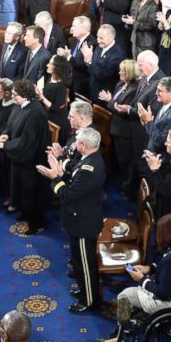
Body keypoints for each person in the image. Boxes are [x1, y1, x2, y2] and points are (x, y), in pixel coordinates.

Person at [100, 213, 171, 342]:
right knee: (132, 291)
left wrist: (142, 279)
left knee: (125, 295)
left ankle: (121, 340)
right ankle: (120, 335)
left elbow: (162, 292)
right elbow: (167, 266)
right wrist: (150, 268)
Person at [37, 126, 105, 313]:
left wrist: (54, 178)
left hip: (84, 224)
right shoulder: (88, 159)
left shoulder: (90, 169)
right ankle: (85, 291)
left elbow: (68, 195)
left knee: (85, 264)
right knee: (78, 261)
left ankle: (89, 300)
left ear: (83, 145)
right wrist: (59, 160)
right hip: (79, 220)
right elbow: (74, 167)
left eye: (77, 142)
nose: (74, 145)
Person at [0, 79, 50, 231]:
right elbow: (9, 124)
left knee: (30, 193)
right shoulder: (19, 106)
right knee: (21, 190)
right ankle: (25, 214)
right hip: (21, 156)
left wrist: (5, 145)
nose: (13, 97)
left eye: (15, 95)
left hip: (31, 160)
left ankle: (35, 225)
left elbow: (27, 141)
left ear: (25, 95)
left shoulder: (35, 113)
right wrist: (5, 134)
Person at [101, 59, 139, 192]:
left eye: (122, 71)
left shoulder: (134, 89)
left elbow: (122, 111)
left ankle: (127, 187)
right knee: (119, 159)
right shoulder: (121, 84)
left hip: (124, 130)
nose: (119, 73)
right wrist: (111, 101)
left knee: (126, 160)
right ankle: (121, 181)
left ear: (129, 72)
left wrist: (109, 101)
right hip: (115, 127)